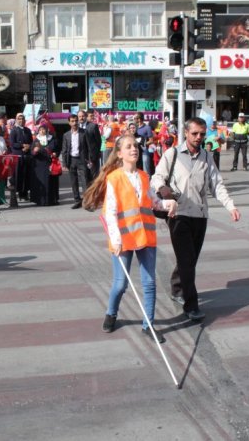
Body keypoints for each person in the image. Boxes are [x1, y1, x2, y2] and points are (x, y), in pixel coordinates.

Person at [82, 134, 175, 343]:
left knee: (149, 283)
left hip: (145, 236)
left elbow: (153, 203)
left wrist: (168, 204)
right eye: (129, 147)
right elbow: (110, 212)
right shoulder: (114, 178)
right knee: (121, 284)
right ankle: (111, 313)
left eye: (136, 146)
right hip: (123, 239)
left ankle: (148, 325)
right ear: (120, 153)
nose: (134, 149)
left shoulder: (144, 176)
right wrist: (115, 239)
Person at [152, 117, 241, 321]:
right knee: (186, 260)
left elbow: (217, 185)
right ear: (186, 133)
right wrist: (162, 188)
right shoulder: (172, 153)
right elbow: (157, 177)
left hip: (200, 215)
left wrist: (230, 206)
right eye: (195, 133)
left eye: (202, 134)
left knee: (190, 259)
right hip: (178, 214)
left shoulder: (207, 157)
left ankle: (177, 287)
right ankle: (191, 306)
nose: (199, 137)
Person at [61, 114, 90, 209]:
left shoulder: (84, 132)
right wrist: (64, 163)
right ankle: (77, 200)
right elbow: (64, 149)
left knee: (85, 180)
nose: (74, 123)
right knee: (74, 181)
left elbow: (88, 147)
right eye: (72, 121)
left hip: (82, 159)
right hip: (71, 160)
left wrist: (90, 159)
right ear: (69, 123)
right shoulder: (66, 135)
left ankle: (86, 200)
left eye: (76, 121)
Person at [29, 124, 56, 206]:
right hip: (38, 164)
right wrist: (35, 151)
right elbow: (32, 152)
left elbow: (56, 148)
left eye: (43, 129)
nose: (42, 131)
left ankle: (50, 200)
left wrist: (54, 153)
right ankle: (40, 200)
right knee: (40, 182)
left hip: (49, 163)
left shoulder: (51, 139)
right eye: (40, 130)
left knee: (49, 182)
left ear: (47, 130)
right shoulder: (36, 140)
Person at [9, 113, 33, 200]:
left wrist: (29, 147)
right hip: (18, 157)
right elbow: (12, 144)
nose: (21, 120)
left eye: (22, 118)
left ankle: (25, 193)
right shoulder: (14, 130)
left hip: (26, 156)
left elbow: (31, 142)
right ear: (16, 120)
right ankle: (19, 193)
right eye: (19, 119)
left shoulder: (28, 130)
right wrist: (22, 145)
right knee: (18, 176)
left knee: (26, 175)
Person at [77, 110, 101, 181]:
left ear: (86, 117)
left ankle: (94, 191)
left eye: (83, 116)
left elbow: (98, 141)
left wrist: (95, 154)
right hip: (81, 157)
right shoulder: (76, 127)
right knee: (84, 178)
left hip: (92, 157)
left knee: (94, 177)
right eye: (79, 116)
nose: (81, 118)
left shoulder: (93, 126)